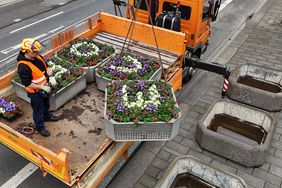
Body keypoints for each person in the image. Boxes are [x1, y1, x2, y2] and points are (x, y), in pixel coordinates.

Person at [17, 38, 59, 137]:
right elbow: (27, 83)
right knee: (38, 110)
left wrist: (50, 73)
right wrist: (42, 87)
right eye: (35, 51)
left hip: (45, 87)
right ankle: (40, 127)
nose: (37, 53)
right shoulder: (23, 66)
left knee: (46, 104)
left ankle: (47, 116)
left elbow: (46, 66)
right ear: (27, 51)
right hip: (35, 92)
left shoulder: (37, 56)